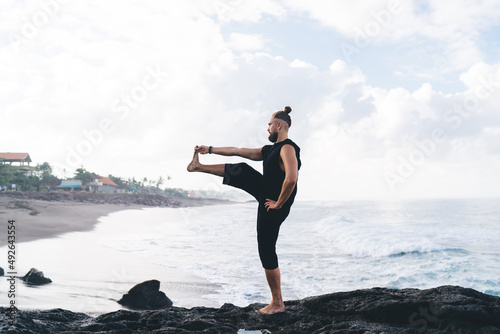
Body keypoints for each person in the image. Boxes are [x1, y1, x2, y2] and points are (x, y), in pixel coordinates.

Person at [187, 106, 301, 315]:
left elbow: (291, 178)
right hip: (267, 195)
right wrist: (210, 149)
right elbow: (237, 150)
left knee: (266, 250)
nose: (267, 129)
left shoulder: (287, 148)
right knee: (242, 168)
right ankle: (199, 166)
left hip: (274, 204)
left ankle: (277, 303)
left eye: (269, 125)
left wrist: (278, 203)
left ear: (279, 125)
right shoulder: (269, 150)